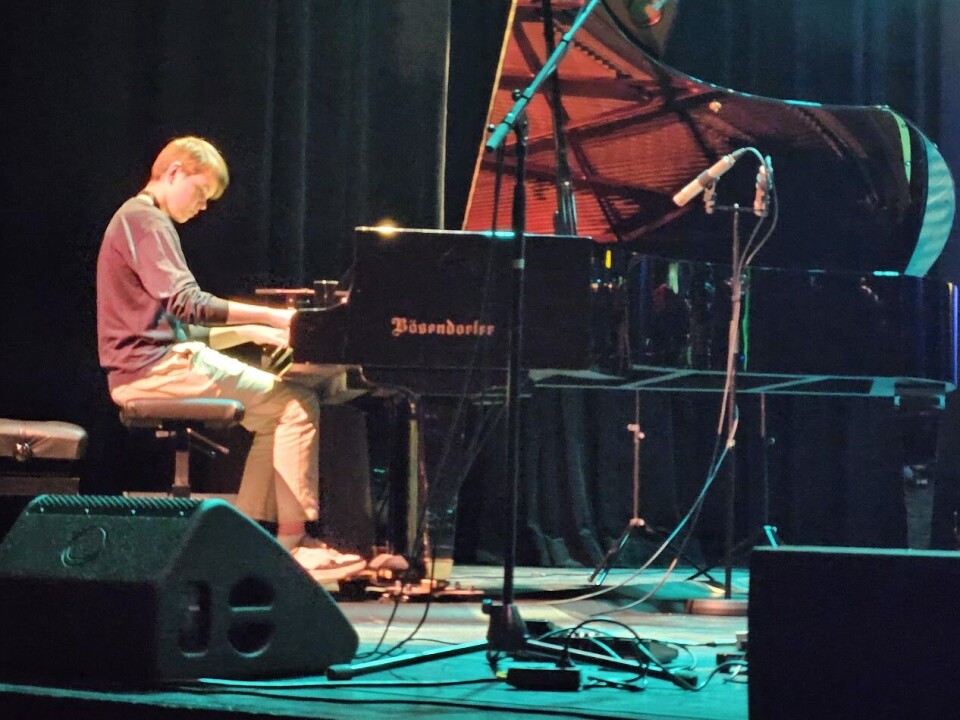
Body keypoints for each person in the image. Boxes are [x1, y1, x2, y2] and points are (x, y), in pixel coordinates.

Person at [96, 135, 365, 581]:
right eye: (201, 193)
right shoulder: (146, 221)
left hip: (148, 366)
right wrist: (274, 316)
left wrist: (255, 332)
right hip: (155, 369)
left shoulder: (136, 221)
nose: (202, 206)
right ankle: (295, 546)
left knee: (276, 414)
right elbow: (189, 304)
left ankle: (252, 542)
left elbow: (182, 326)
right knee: (295, 404)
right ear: (174, 172)